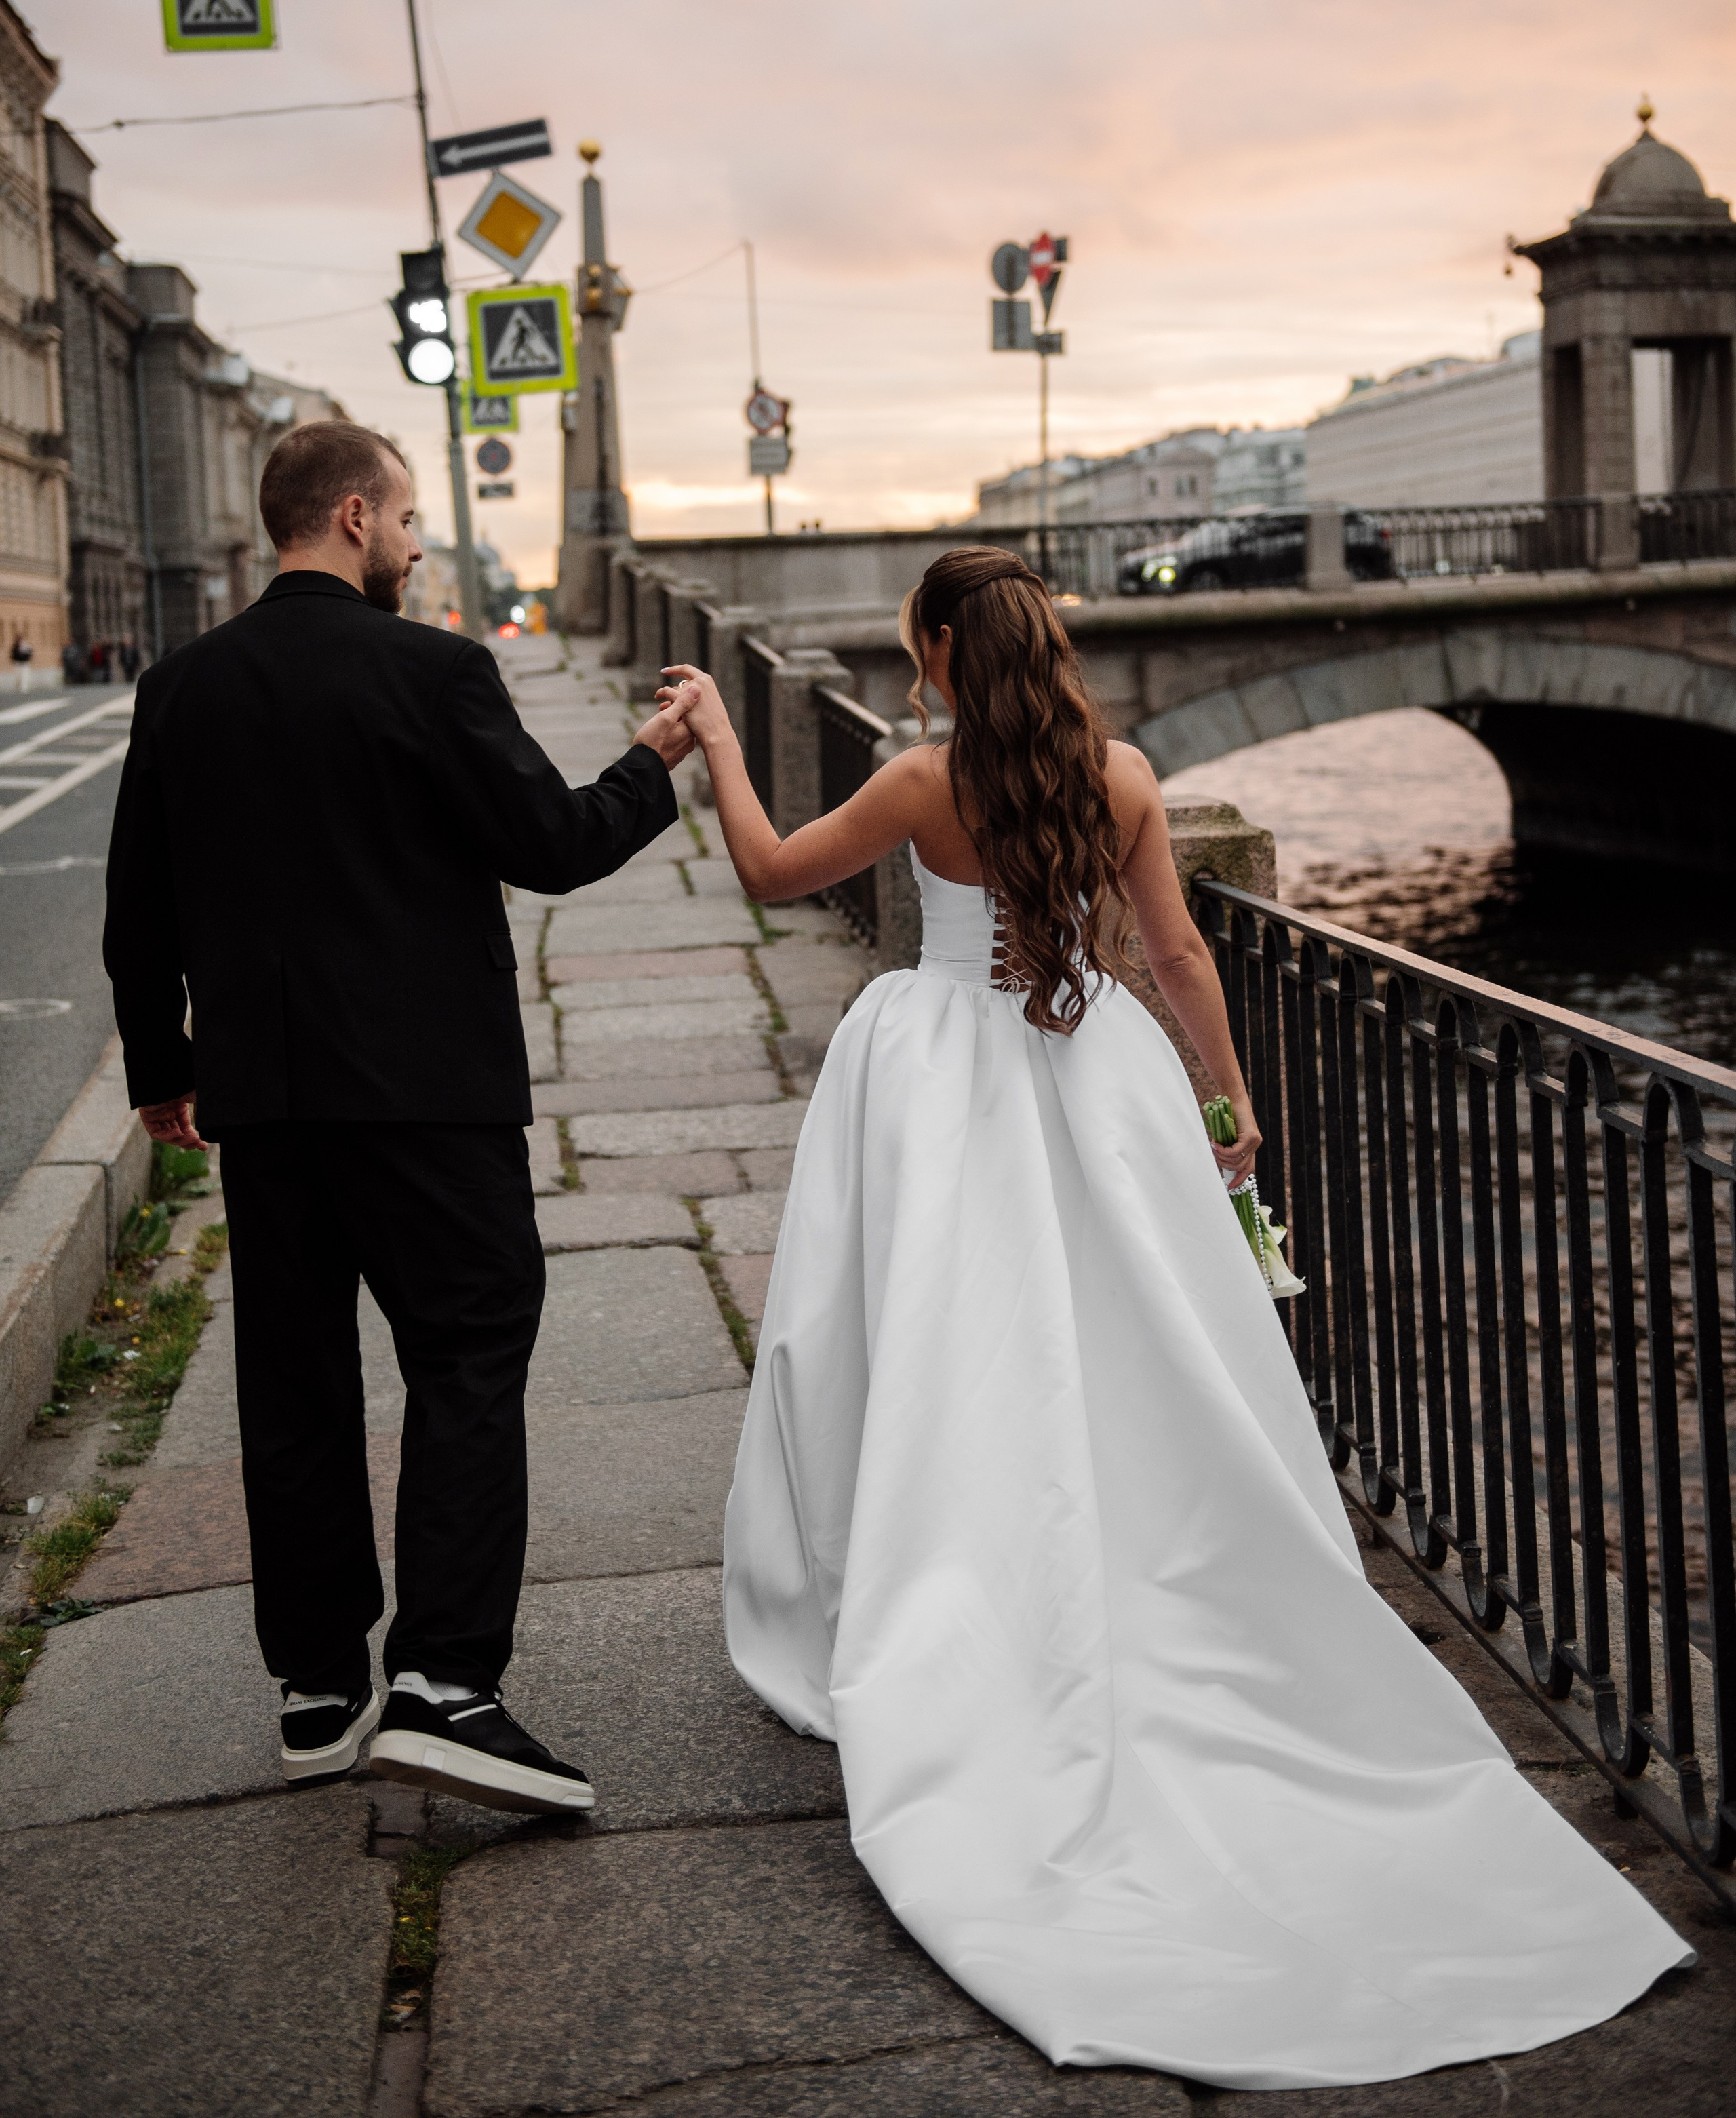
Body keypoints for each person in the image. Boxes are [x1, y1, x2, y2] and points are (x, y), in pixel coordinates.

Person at [656, 546, 1690, 2092]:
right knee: (1143, 1350)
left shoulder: (915, 784)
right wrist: (1224, 1094)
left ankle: (962, 1576)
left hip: (941, 1082)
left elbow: (765, 871)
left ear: (935, 655)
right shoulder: (1121, 772)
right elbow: (1183, 951)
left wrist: (726, 747)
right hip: (1099, 1076)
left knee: (947, 1350)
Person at [104, 422, 696, 1815]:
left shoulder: (182, 687)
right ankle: (444, 1683)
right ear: (357, 516)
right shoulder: (432, 669)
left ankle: (319, 1686)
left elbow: (142, 909)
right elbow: (550, 844)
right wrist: (654, 758)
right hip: (430, 1097)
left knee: (296, 1380)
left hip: (267, 1103)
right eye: (414, 520)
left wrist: (160, 1067)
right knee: (470, 1351)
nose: (423, 545)